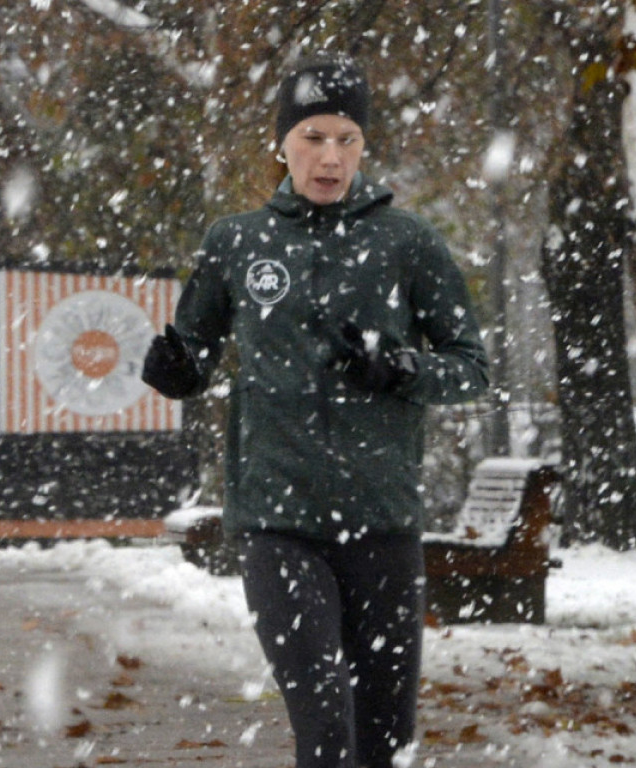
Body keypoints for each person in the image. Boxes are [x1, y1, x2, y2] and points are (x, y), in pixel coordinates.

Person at [142, 55, 490, 768]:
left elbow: (471, 368)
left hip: (383, 521)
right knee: (326, 732)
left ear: (363, 146)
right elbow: (194, 352)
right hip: (278, 522)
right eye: (312, 137)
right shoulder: (237, 241)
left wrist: (398, 367)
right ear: (283, 144)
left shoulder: (407, 242)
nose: (330, 157)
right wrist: (175, 372)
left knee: (383, 742)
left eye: (346, 139)